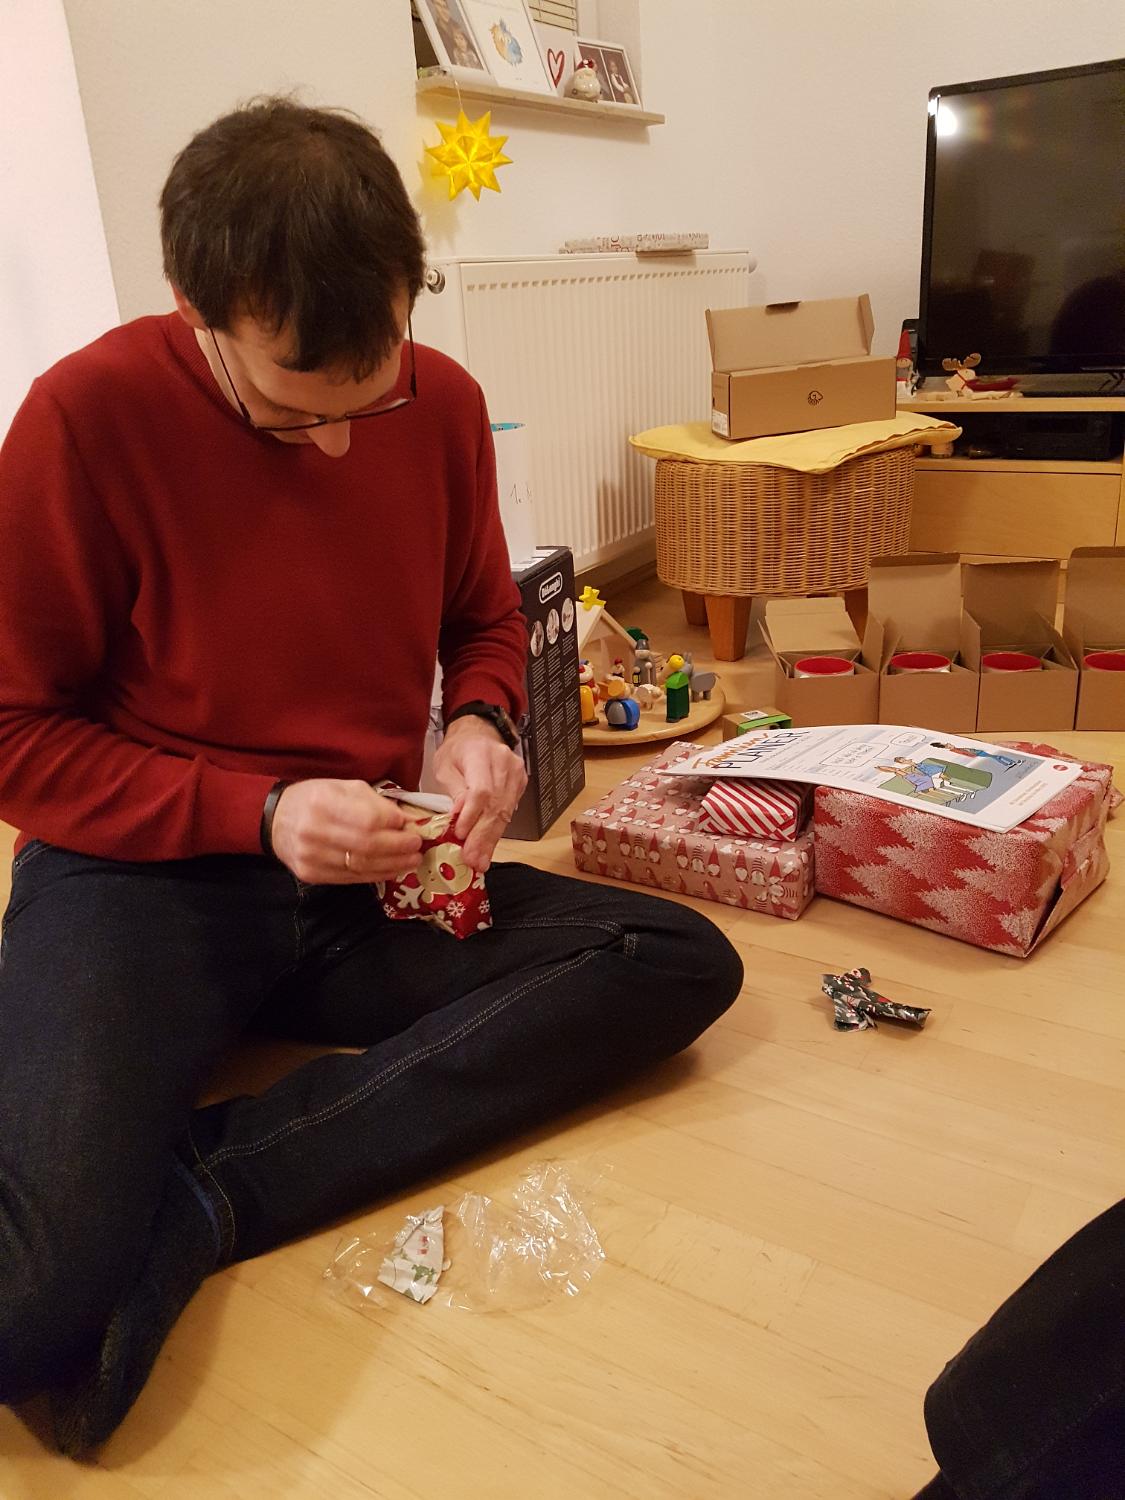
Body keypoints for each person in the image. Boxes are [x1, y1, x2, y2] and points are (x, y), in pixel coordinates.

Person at [0, 98, 743, 1455]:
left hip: (366, 873)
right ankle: (141, 1204)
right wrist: (258, 812)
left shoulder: (440, 400)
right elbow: (18, 735)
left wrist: (480, 723)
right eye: (292, 412)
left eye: (375, 384)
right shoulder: (84, 419)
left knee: (673, 959)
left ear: (408, 289)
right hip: (148, 877)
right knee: (28, 1312)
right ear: (196, 311)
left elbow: (482, 615)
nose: (342, 441)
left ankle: (206, 1195)